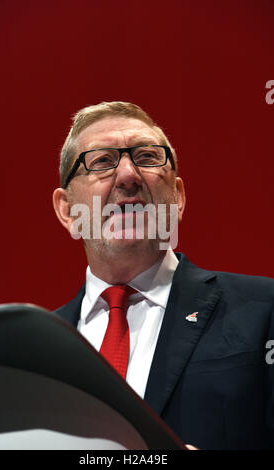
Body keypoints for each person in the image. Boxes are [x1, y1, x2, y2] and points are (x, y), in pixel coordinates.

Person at [53, 101, 274, 450]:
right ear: (67, 211)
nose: (128, 175)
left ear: (179, 198)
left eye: (147, 157)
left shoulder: (264, 311)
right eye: (102, 161)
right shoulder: (35, 350)